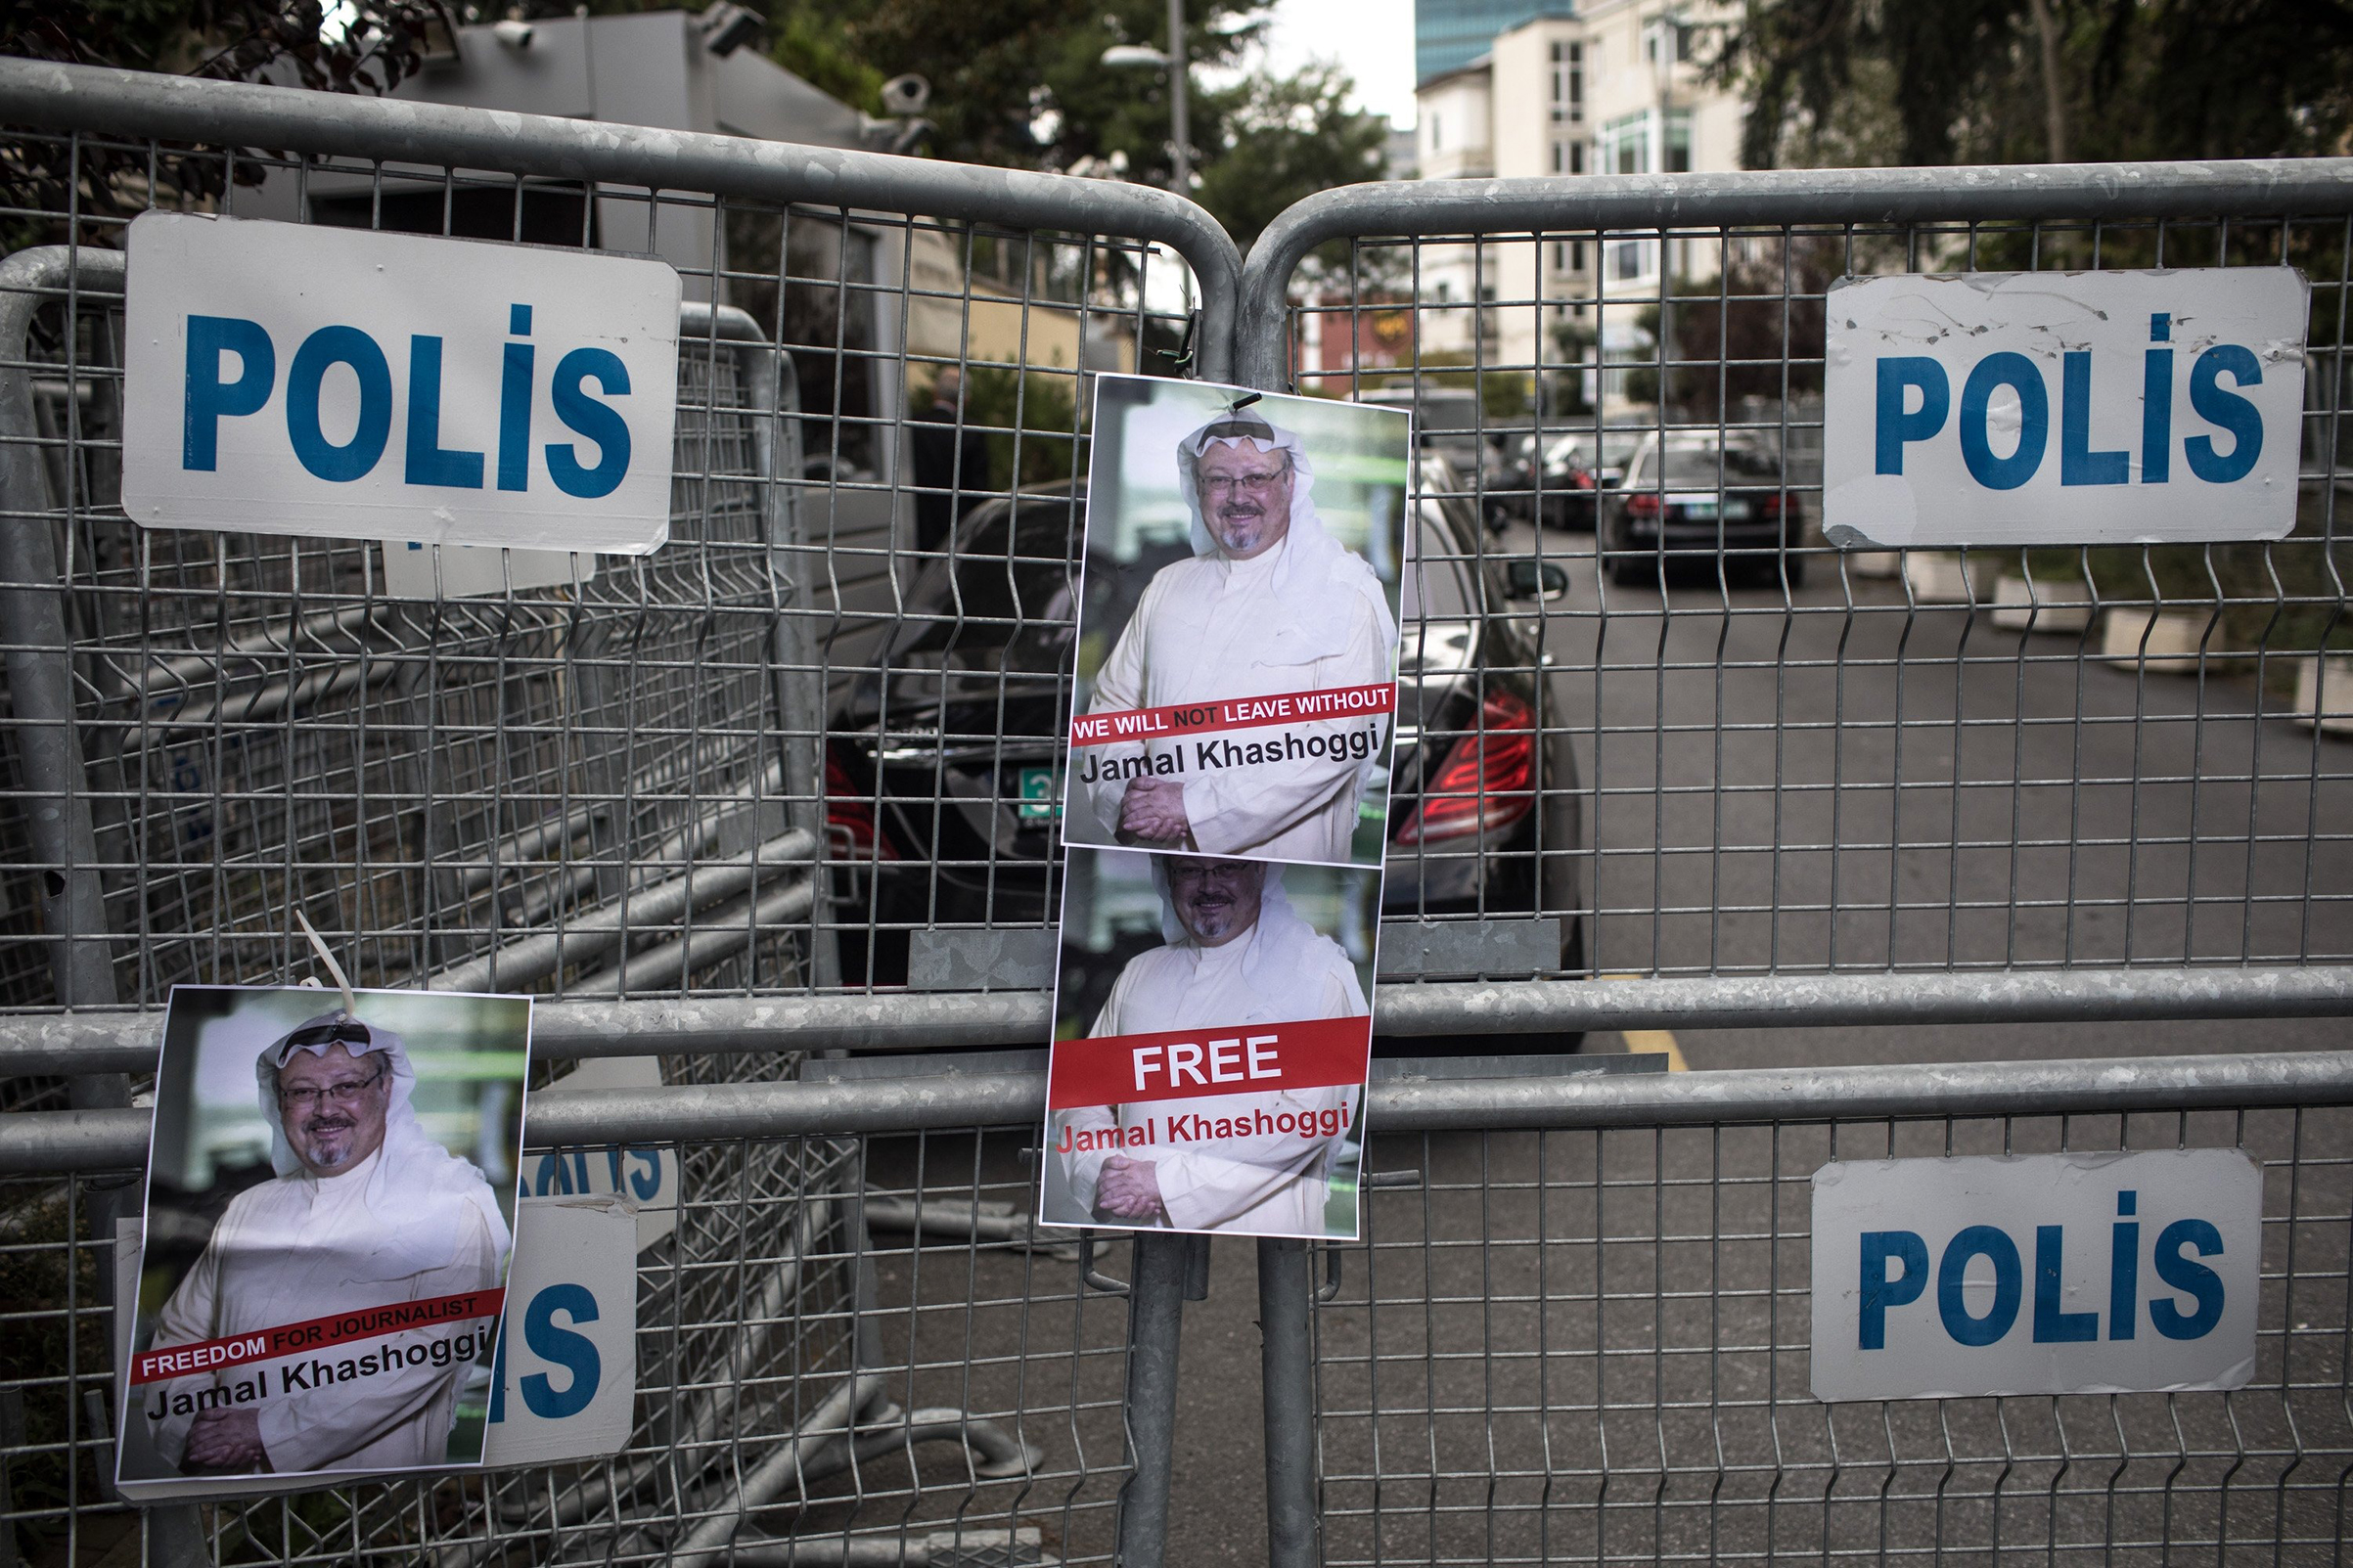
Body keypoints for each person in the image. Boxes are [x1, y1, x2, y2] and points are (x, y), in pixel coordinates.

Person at [143, 1010, 510, 1476]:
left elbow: (432, 1349)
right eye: (302, 1092)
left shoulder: (450, 1205)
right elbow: (182, 1337)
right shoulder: (248, 1209)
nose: (325, 1108)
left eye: (346, 1087)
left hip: (374, 1506)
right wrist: (193, 1428)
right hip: (228, 1494)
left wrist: (266, 1432)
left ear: (386, 1089)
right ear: (279, 1105)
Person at [1078, 405, 1397, 865]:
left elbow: (1342, 738)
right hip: (1170, 864)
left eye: (1256, 478)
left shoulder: (1342, 594)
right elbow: (1114, 706)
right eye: (1219, 480)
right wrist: (1127, 792)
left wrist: (1192, 807)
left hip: (1286, 866)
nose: (1237, 496)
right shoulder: (1167, 585)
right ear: (1198, 488)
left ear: (1290, 483)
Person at [1058, 857, 1366, 1235]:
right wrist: (1103, 1169)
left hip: (1268, 1241)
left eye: (1225, 869)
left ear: (1261, 873)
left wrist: (1166, 1184)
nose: (1208, 886)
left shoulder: (1317, 974)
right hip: (1135, 1226)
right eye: (1189, 870)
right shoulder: (1140, 972)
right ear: (1168, 879)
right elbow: (1082, 1096)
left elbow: (1308, 1119)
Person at [907, 366, 990, 554]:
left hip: (918, 526)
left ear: (934, 393)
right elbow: (978, 488)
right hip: (958, 528)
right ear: (966, 399)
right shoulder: (972, 432)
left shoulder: (913, 425)